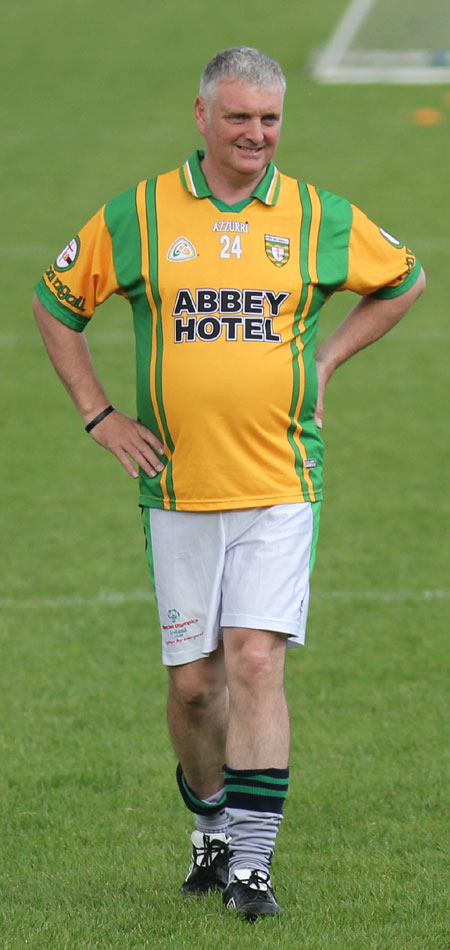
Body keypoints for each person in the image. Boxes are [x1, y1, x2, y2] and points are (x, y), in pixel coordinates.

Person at [33, 46, 425, 921]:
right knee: (195, 686)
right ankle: (209, 829)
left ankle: (251, 867)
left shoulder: (316, 214)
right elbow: (56, 302)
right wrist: (100, 415)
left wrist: (327, 357)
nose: (257, 134)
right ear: (202, 116)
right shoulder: (139, 213)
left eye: (271, 119)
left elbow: (404, 280)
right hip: (176, 490)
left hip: (282, 480)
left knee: (256, 661)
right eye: (240, 117)